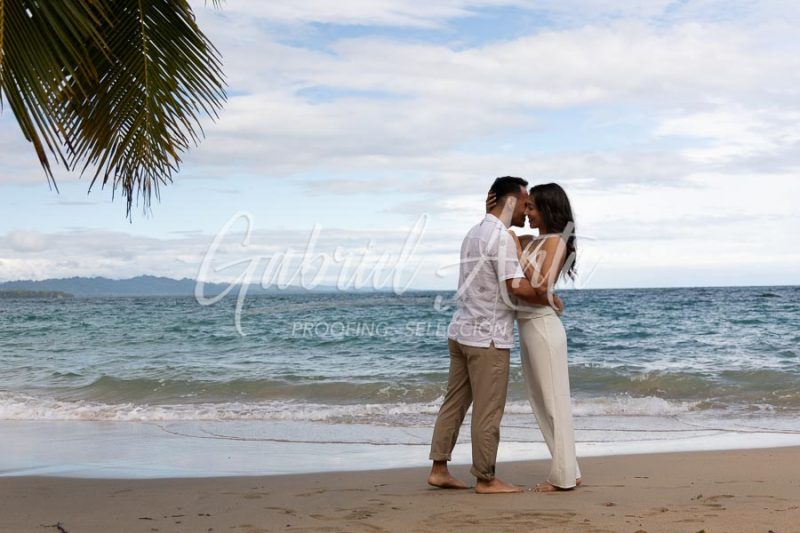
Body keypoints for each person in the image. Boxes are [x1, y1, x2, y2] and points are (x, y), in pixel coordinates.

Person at [427, 176, 563, 494]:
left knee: (454, 403)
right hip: (487, 337)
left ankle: (439, 469)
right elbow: (516, 287)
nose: (527, 210)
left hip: (461, 331)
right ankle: (486, 479)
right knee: (488, 410)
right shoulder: (500, 237)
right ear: (511, 202)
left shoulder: (474, 232)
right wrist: (547, 297)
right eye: (525, 203)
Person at [510, 182, 582, 492]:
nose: (526, 212)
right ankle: (570, 470)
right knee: (541, 403)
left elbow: (540, 285)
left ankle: (563, 478)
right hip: (527, 326)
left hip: (543, 327)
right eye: (525, 206)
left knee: (554, 404)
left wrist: (517, 251)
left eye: (531, 207)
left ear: (547, 209)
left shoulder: (555, 242)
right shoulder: (531, 240)